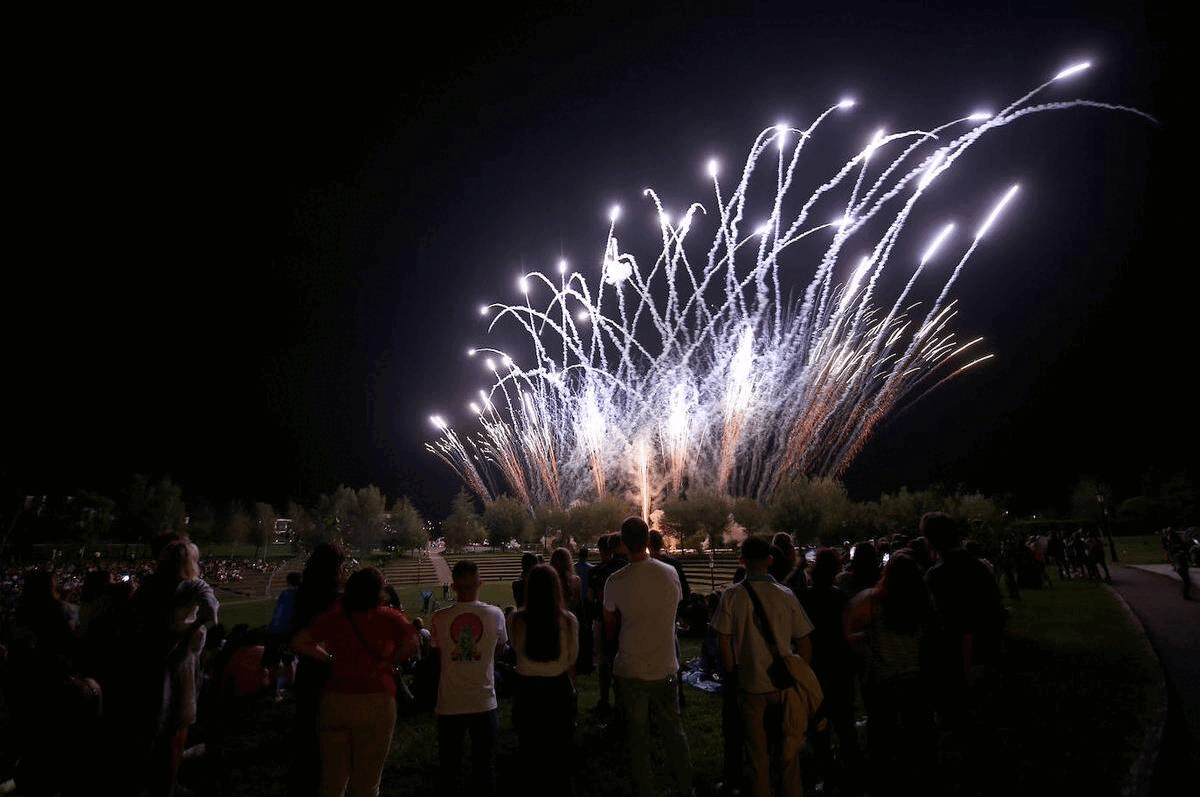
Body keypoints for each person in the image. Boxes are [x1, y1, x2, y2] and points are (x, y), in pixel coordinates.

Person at [291, 566, 419, 797]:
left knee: (332, 783)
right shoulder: (389, 616)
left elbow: (300, 642)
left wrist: (329, 658)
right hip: (377, 699)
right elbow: (412, 644)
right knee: (367, 785)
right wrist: (388, 662)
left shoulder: (334, 618)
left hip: (335, 699)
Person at [711, 535, 814, 797]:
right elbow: (804, 640)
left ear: (742, 561)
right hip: (784, 685)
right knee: (788, 751)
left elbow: (723, 640)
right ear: (770, 560)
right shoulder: (786, 595)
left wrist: (731, 675)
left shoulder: (732, 596)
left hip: (750, 684)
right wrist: (799, 673)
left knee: (757, 754)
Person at [603, 517, 693, 797]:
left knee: (637, 737)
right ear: (647, 539)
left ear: (622, 543)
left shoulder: (615, 581)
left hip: (630, 668)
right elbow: (675, 606)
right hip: (665, 665)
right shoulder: (670, 573)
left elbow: (609, 629)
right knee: (674, 732)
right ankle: (686, 787)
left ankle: (644, 788)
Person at [844, 552, 935, 795]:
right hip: (914, 677)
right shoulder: (923, 602)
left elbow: (848, 630)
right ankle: (916, 775)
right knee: (916, 733)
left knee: (881, 734)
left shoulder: (873, 601)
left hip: (881, 678)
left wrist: (865, 642)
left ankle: (883, 779)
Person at [432, 560, 508, 797]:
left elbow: (439, 653)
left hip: (449, 703)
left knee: (448, 767)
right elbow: (499, 650)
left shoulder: (439, 618)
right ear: (480, 583)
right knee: (484, 766)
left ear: (453, 586)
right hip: (483, 701)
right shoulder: (495, 614)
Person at [506, 564, 579, 796]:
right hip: (558, 690)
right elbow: (572, 658)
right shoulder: (568, 621)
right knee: (560, 757)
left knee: (530, 754)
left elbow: (515, 648)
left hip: (528, 692)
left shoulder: (515, 620)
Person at [287, 543, 346, 797]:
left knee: (307, 730)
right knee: (326, 734)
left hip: (307, 667)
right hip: (325, 666)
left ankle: (306, 781)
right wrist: (331, 659)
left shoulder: (303, 591)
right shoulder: (333, 595)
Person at [574, 547, 595, 675]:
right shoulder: (591, 569)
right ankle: (587, 661)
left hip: (576, 602)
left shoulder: (574, 568)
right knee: (587, 632)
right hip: (587, 602)